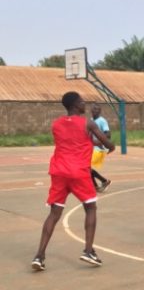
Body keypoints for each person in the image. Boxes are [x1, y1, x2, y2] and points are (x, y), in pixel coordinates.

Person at [31, 92, 116, 271]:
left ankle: (39, 256)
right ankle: (87, 250)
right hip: (78, 172)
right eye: (82, 102)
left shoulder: (56, 124)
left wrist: (91, 140)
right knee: (91, 208)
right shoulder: (88, 123)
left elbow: (74, 139)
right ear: (76, 105)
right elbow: (107, 143)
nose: (85, 104)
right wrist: (110, 146)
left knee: (54, 214)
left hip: (58, 171)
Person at [90, 103, 112, 192]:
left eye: (97, 109)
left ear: (100, 111)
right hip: (91, 147)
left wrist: (100, 140)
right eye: (94, 109)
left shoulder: (102, 121)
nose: (95, 110)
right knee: (86, 168)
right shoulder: (91, 120)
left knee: (86, 168)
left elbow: (108, 134)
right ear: (91, 110)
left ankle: (103, 181)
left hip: (99, 148)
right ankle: (98, 184)